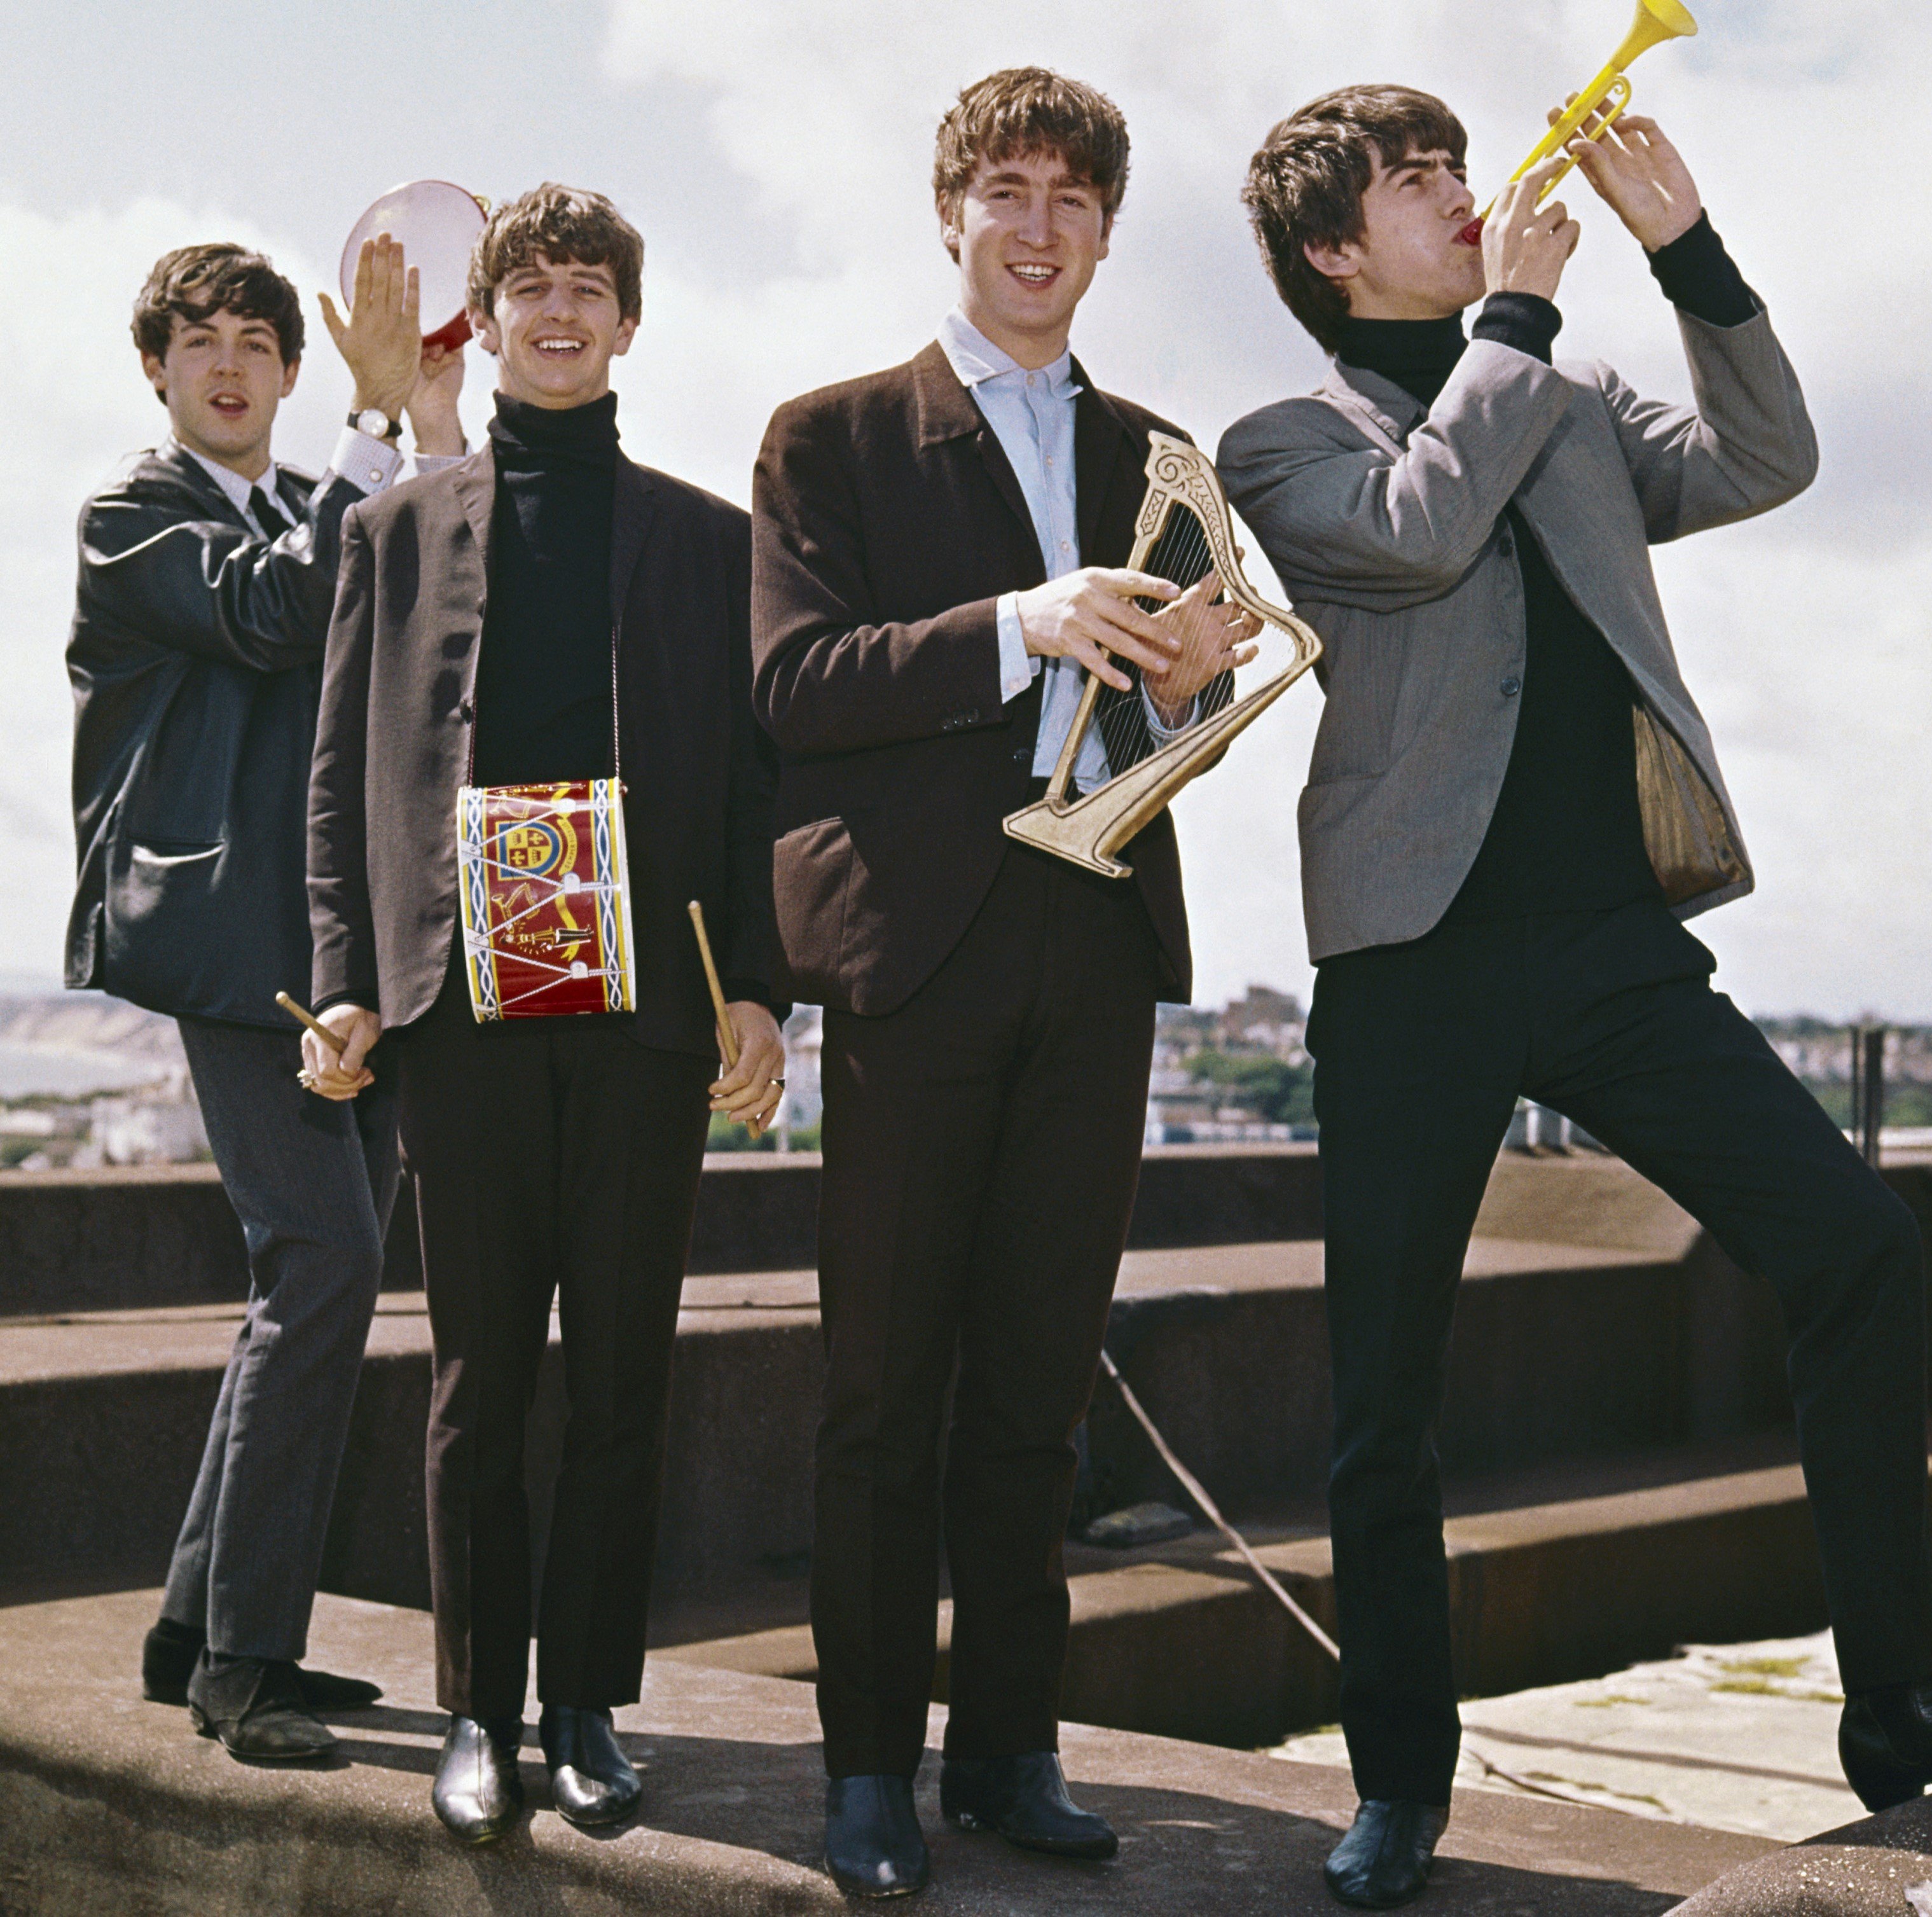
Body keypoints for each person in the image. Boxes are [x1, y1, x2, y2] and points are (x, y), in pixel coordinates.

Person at [1218, 87, 1929, 1907]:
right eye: (1412, 183)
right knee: (1383, 1394)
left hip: (1610, 945)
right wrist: (1516, 321)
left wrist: (1685, 247)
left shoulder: (1572, 395)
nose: (1461, 197)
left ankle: (1896, 1726)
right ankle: (1396, 1779)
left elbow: (1764, 456)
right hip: (1407, 958)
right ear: (1329, 250)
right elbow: (1412, 528)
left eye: (1458, 168)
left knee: (1854, 1244)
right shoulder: (1277, 436)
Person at [752, 67, 1256, 1899]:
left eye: (1069, 196)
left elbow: (1183, 717)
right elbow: (794, 686)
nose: (1036, 223)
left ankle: (1009, 1752)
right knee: (881, 1387)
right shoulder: (826, 438)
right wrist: (1009, 628)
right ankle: (867, 1765)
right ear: (949, 211)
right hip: (919, 951)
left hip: (1094, 941)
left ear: (1107, 229)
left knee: (1038, 1384)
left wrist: (1194, 679)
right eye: (1004, 190)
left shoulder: (1155, 448)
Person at [303, 183, 785, 1846]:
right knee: (477, 1376)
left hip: (644, 1000)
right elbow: (335, 779)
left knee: (623, 1375)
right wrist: (349, 972)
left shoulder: (713, 540)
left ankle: (584, 1708)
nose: (560, 312)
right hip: (462, 998)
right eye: (532, 288)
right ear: (486, 319)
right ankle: (473, 1713)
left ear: (627, 324)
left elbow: (749, 787)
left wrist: (763, 995)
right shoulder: (389, 530)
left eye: (590, 289)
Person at [67, 237, 464, 1762]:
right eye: (197, 340)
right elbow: (266, 612)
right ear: (157, 369)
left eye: (255, 339)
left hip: (346, 948)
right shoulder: (130, 514)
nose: (228, 362)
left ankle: (190, 1630)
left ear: (288, 371)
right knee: (323, 1260)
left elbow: (449, 601)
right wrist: (372, 430)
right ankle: (246, 1662)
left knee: (305, 1281)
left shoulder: (333, 495)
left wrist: (430, 419)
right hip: (229, 942)